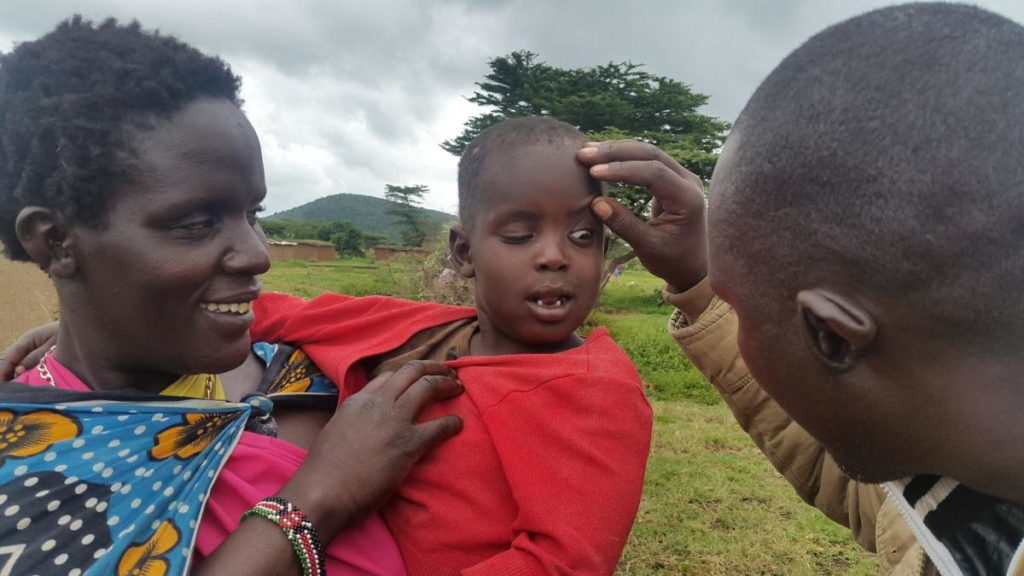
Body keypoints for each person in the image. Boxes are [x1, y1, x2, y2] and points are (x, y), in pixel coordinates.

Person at [0, 17, 463, 576]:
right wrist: (318, 497)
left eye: (253, 213)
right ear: (56, 242)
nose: (258, 253)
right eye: (196, 222)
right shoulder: (22, 458)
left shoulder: (316, 376)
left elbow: (519, 351)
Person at [578, 4, 1024, 575]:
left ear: (832, 337)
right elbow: (892, 502)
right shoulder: (970, 457)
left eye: (739, 309)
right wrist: (695, 278)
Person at [248, 116, 654, 575]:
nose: (554, 256)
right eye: (520, 235)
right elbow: (275, 313)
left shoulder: (597, 389)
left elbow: (564, 563)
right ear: (463, 253)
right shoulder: (412, 328)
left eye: (583, 236)